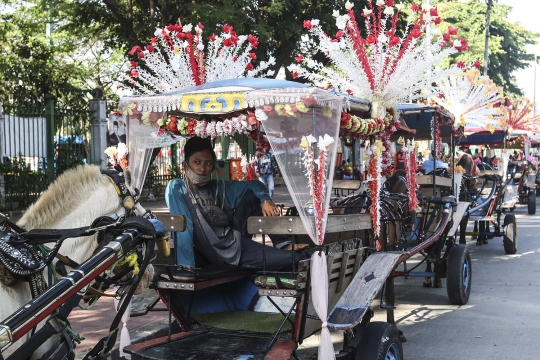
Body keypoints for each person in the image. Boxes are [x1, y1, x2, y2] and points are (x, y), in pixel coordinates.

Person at [166, 137, 308, 271]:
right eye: (197, 162)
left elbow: (255, 185)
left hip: (236, 242)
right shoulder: (178, 188)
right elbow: (185, 225)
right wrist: (186, 265)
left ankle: (283, 243)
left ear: (213, 166)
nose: (202, 168)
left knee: (253, 195)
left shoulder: (219, 187)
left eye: (208, 163)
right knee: (299, 259)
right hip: (220, 254)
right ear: (185, 165)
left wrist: (266, 200)